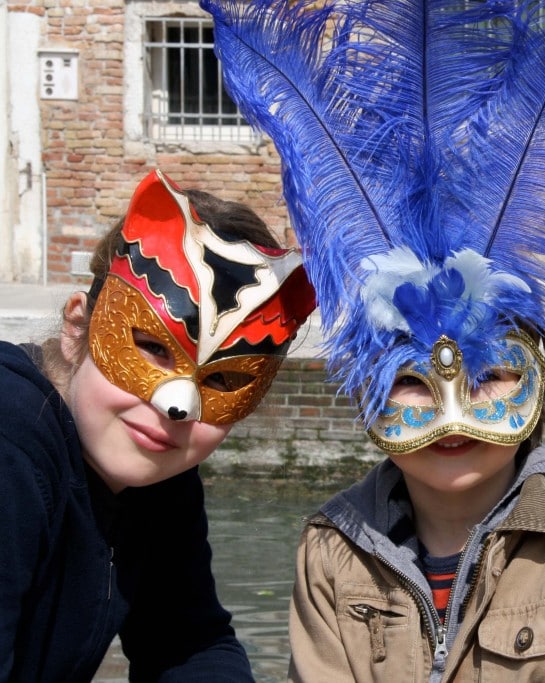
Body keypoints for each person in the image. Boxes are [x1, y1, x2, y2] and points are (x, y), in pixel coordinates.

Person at [202, 0, 545, 679]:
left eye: (490, 375)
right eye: (410, 380)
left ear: (538, 381)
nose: (452, 411)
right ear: (364, 391)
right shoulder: (331, 552)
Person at [0, 169, 317, 681]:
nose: (179, 406)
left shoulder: (157, 478)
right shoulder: (9, 435)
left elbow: (188, 643)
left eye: (226, 378)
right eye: (151, 347)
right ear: (77, 325)